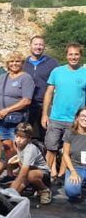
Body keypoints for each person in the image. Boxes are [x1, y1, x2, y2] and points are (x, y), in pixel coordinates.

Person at [42, 43, 86, 184]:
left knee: (69, 151)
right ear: (66, 55)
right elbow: (49, 93)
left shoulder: (85, 73)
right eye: (71, 54)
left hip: (76, 120)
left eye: (76, 54)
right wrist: (44, 114)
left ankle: (62, 176)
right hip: (56, 117)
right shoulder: (57, 71)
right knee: (51, 147)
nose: (73, 57)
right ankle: (48, 176)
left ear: (80, 55)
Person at [0, 52, 34, 160]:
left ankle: (22, 170)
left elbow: (26, 100)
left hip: (16, 119)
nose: (14, 64)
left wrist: (7, 110)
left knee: (18, 145)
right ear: (7, 63)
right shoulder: (2, 77)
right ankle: (9, 172)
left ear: (22, 63)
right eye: (12, 61)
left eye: (17, 61)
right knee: (5, 145)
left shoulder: (26, 78)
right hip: (0, 119)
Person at [23, 36, 58, 142]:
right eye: (35, 44)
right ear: (30, 46)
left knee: (45, 138)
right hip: (26, 106)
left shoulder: (52, 63)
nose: (38, 47)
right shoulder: (23, 64)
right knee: (26, 136)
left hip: (45, 106)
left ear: (44, 47)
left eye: (41, 45)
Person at [9, 123, 52, 205]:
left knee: (28, 177)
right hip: (29, 171)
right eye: (17, 136)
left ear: (28, 138)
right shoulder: (17, 144)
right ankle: (33, 187)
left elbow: (25, 169)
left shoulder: (30, 149)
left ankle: (44, 190)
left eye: (22, 137)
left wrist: (13, 188)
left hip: (42, 172)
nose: (18, 140)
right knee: (16, 192)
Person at [62, 106, 86, 201]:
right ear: (77, 118)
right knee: (72, 191)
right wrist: (73, 171)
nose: (85, 119)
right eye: (83, 116)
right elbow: (65, 154)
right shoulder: (70, 133)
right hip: (76, 167)